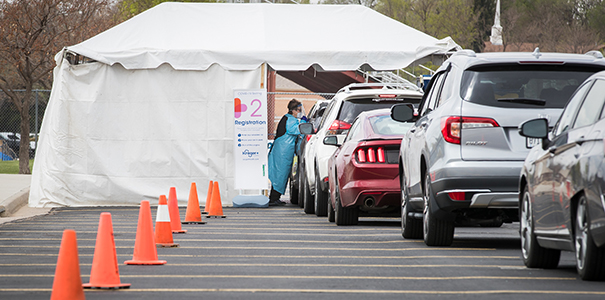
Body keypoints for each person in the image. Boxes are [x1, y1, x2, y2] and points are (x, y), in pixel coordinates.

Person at [267, 99, 307, 206]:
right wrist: (303, 122)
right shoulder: (290, 120)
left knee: (281, 175)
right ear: (293, 110)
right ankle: (273, 199)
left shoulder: (289, 118)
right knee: (280, 175)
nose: (300, 112)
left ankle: (275, 197)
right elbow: (295, 130)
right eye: (298, 110)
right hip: (282, 152)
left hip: (283, 152)